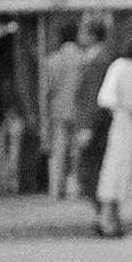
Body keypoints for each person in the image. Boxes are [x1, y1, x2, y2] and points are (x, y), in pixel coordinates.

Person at [94, 31, 132, 237]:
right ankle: (107, 217)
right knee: (115, 170)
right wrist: (128, 106)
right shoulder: (119, 66)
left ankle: (113, 218)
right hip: (123, 124)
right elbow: (106, 97)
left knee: (127, 173)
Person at [72, 15, 116, 202]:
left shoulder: (98, 61)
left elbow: (93, 95)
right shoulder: (94, 58)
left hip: (95, 123)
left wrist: (87, 126)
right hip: (92, 120)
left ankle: (105, 215)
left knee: (91, 169)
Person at [44, 20, 87, 199]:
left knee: (59, 150)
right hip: (79, 108)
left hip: (59, 109)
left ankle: (57, 188)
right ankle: (75, 186)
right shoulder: (83, 59)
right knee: (77, 150)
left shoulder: (52, 60)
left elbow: (48, 89)